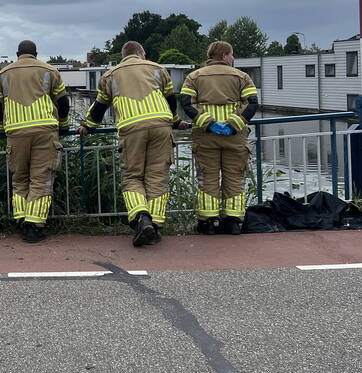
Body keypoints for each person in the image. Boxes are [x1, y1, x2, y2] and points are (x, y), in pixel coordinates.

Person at [78, 41, 187, 247]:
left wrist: (88, 126)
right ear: (140, 53)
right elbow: (171, 100)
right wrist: (175, 121)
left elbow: (99, 107)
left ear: (124, 55)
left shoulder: (109, 76)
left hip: (131, 127)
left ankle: (141, 218)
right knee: (157, 176)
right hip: (161, 125)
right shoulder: (158, 69)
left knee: (132, 176)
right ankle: (154, 225)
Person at [178, 41, 259, 235]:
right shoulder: (242, 77)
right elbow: (252, 104)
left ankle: (208, 223)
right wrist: (233, 125)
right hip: (235, 137)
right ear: (223, 55)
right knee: (235, 178)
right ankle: (232, 222)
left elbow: (187, 103)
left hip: (206, 137)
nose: (233, 58)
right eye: (231, 55)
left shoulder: (194, 77)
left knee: (207, 179)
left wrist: (209, 123)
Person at [0, 40, 70, 243]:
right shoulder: (50, 71)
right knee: (41, 179)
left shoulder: (2, 74)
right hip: (45, 131)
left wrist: (1, 128)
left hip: (16, 132)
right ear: (36, 54)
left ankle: (21, 218)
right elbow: (63, 101)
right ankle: (34, 225)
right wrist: (63, 124)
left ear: (17, 54)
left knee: (19, 179)